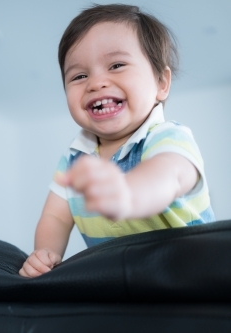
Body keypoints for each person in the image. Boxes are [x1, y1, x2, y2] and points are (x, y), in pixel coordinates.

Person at [19, 4, 215, 278]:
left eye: (117, 65)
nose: (96, 83)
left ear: (161, 82)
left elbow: (168, 175)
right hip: (122, 284)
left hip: (192, 279)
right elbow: (56, 217)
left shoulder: (167, 136)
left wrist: (128, 193)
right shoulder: (74, 159)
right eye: (79, 76)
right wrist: (44, 254)